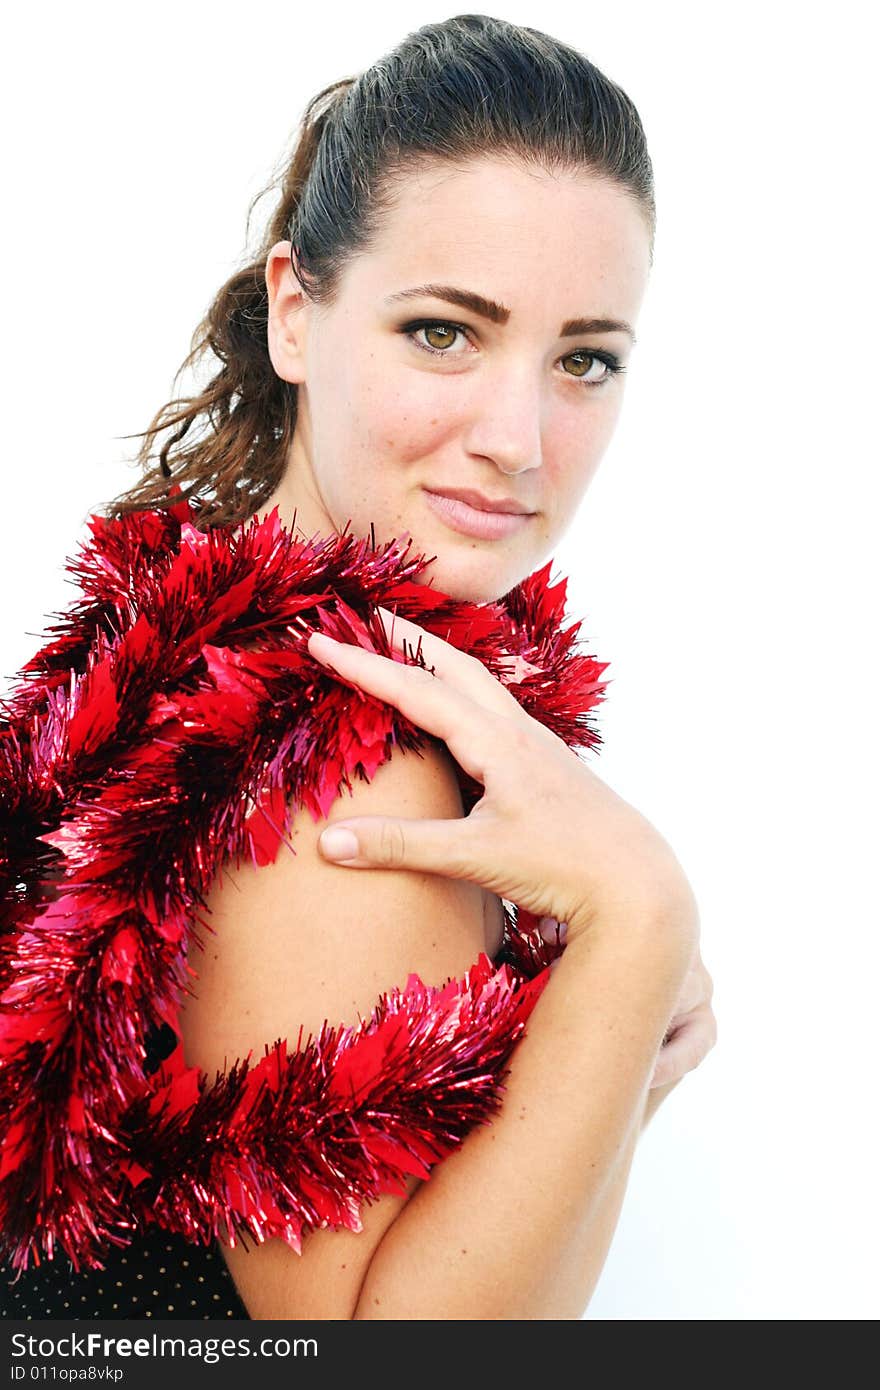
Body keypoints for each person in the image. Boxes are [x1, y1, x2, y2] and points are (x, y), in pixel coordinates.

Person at [0, 14, 715, 1321]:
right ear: (293, 310)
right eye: (445, 331)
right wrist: (641, 915)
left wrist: (605, 1046)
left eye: (584, 359)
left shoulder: (186, 639)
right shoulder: (338, 767)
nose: (519, 438)